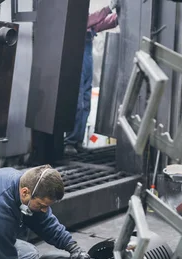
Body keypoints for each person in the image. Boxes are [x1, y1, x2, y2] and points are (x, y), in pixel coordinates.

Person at [65, 0, 120, 156]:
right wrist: (109, 8)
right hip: (77, 54)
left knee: (86, 100)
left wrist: (121, 14)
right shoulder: (74, 17)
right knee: (79, 101)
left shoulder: (88, 22)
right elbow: (90, 20)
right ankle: (70, 141)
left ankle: (78, 141)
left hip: (86, 54)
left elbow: (102, 23)